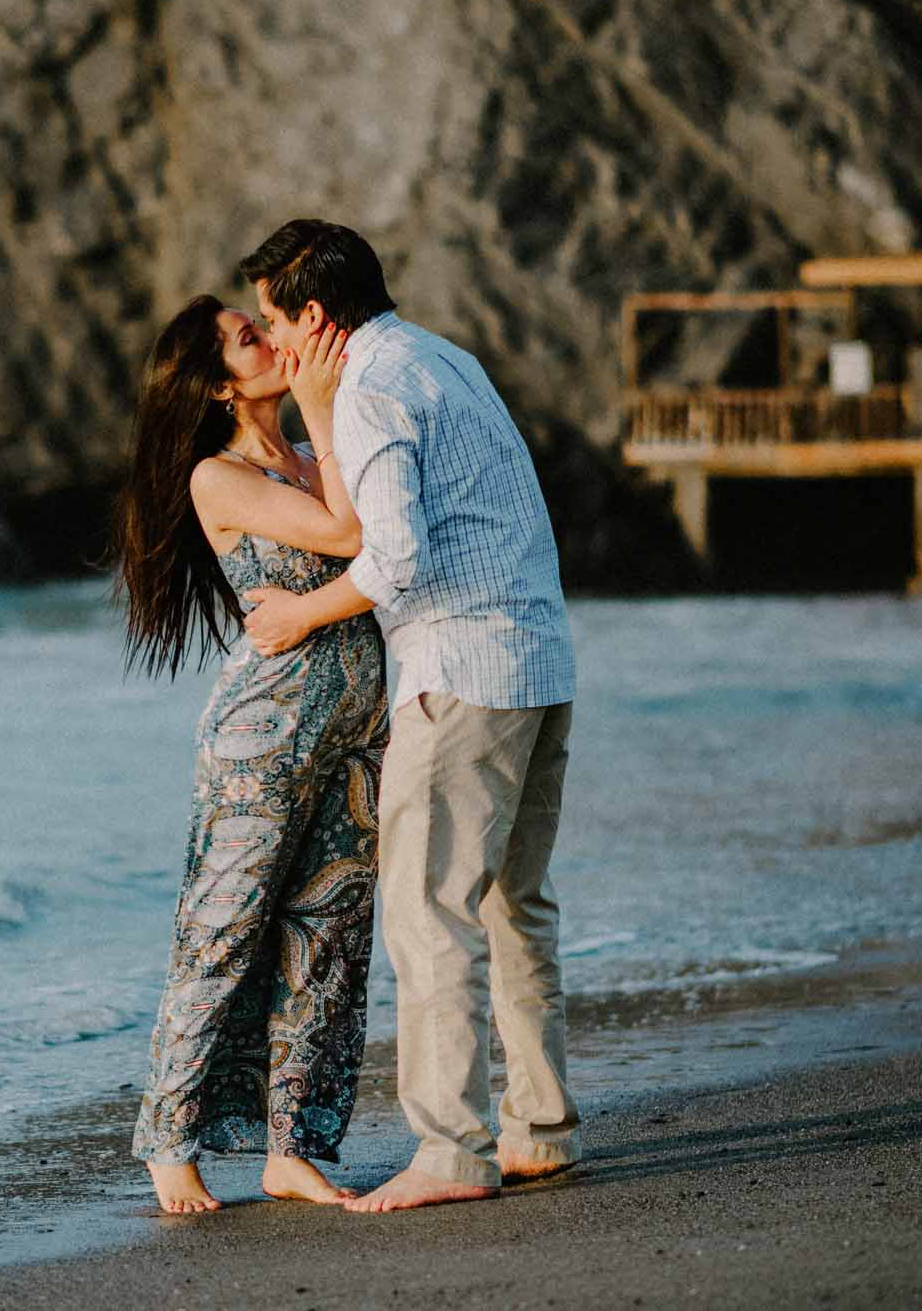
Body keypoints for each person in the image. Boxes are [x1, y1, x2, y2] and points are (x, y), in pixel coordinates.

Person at [235, 219, 580, 1214]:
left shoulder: (371, 387)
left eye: (274, 320)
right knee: (515, 905)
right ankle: (540, 1128)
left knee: (431, 915)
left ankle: (452, 1151)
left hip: (458, 669)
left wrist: (298, 612)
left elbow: (393, 556)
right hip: (537, 658)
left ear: (313, 314)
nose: (273, 341)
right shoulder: (441, 357)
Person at [111, 293, 389, 1213]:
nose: (270, 340)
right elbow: (352, 535)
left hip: (357, 727)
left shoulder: (311, 456)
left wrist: (321, 422)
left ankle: (291, 1149)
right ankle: (169, 1142)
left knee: (330, 937)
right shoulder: (216, 476)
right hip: (258, 742)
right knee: (223, 933)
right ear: (219, 386)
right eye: (246, 338)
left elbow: (390, 546)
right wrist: (319, 400)